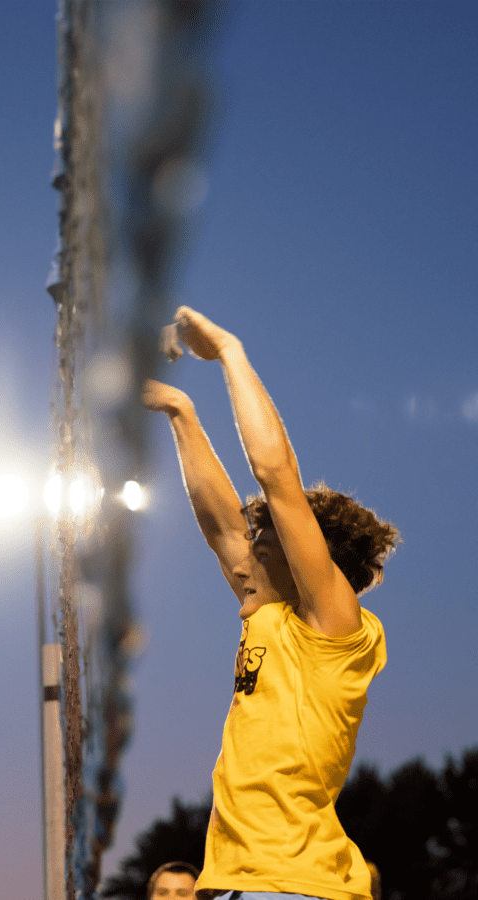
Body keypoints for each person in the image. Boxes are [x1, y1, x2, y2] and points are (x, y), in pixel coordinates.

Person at [143, 307, 400, 900]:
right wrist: (180, 412)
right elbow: (220, 529)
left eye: (261, 546)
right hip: (241, 883)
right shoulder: (272, 617)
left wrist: (229, 351)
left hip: (295, 887)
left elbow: (277, 476)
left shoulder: (335, 628)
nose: (242, 560)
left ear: (301, 556)